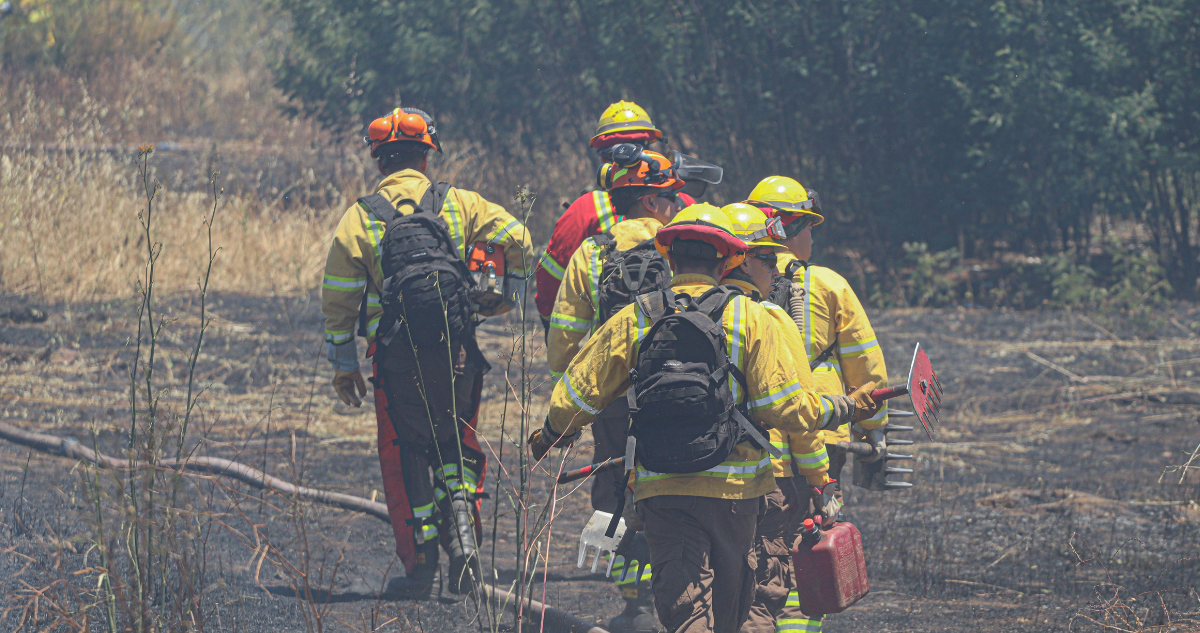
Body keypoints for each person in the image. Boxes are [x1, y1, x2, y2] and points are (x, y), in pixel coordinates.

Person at [530, 204, 875, 633]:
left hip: (663, 490)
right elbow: (786, 408)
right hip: (738, 495)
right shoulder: (753, 317)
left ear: (669, 259)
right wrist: (848, 407)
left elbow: (577, 394)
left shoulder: (636, 316)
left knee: (686, 613)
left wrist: (550, 433)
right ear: (730, 258)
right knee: (732, 613)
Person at [321, 107, 533, 597]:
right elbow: (519, 238)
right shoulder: (458, 203)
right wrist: (504, 299)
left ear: (379, 163)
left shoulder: (360, 217)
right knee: (457, 443)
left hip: (394, 357)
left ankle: (421, 567)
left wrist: (343, 366)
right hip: (456, 351)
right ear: (427, 155)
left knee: (406, 451)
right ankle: (466, 546)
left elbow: (338, 297)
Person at [548, 148, 686, 633]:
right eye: (669, 198)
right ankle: (679, 596)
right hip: (679, 400)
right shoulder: (682, 249)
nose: (674, 206)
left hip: (613, 406)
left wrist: (572, 406)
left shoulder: (593, 253)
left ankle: (635, 606)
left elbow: (564, 336)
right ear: (651, 202)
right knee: (676, 489)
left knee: (615, 494)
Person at [745, 176, 889, 633]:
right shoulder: (829, 284)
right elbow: (867, 367)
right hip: (824, 437)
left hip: (756, 440)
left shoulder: (740, 280)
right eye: (809, 226)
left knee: (759, 545)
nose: (812, 237)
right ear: (790, 227)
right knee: (808, 542)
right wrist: (873, 426)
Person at [717, 204, 835, 633]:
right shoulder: (768, 317)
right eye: (768, 258)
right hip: (768, 477)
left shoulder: (672, 311)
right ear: (744, 259)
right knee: (766, 590)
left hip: (688, 479)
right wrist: (820, 478)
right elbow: (795, 414)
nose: (776, 268)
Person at [534, 101, 691, 335]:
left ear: (604, 162)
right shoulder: (681, 204)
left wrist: (555, 338)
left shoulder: (584, 209)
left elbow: (551, 283)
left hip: (611, 343)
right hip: (678, 338)